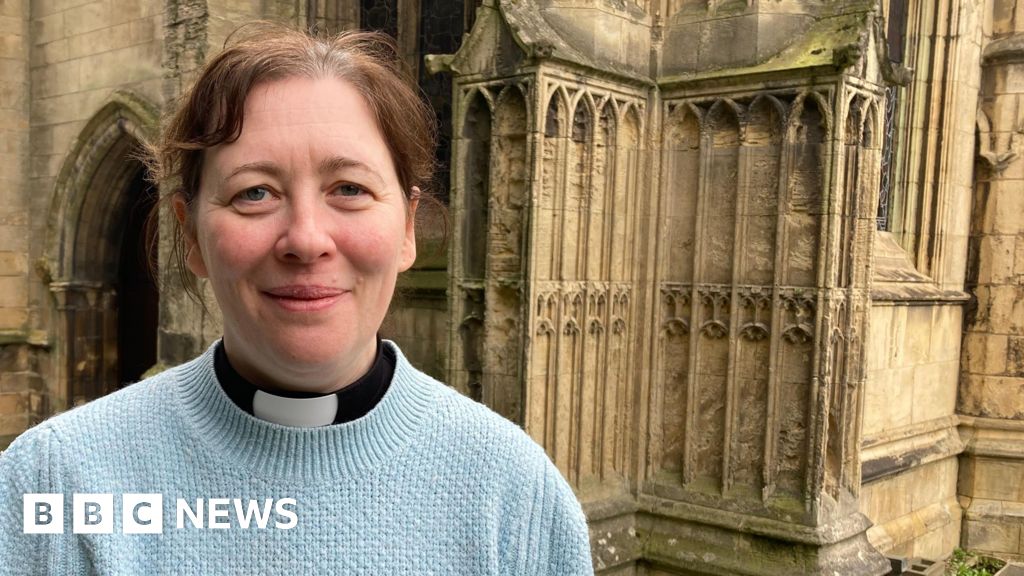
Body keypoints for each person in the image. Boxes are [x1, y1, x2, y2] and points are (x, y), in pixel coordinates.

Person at [0, 23, 593, 575]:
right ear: (192, 237)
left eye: (350, 189)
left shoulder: (516, 496)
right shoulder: (53, 481)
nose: (306, 239)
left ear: (409, 229)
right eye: (254, 192)